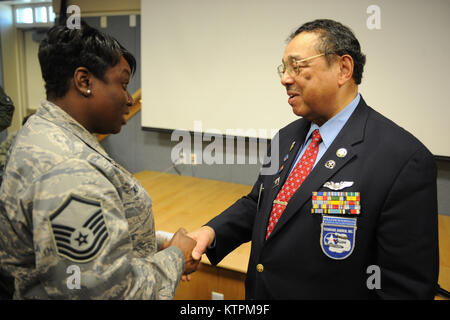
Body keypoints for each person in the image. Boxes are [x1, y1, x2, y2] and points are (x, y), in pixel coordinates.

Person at [188, 19, 439, 299]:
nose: (285, 78)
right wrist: (210, 232)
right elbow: (260, 203)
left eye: (297, 66)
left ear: (343, 68)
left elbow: (406, 289)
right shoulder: (286, 137)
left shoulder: (403, 159)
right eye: (284, 68)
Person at [0, 21, 198, 299]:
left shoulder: (42, 131)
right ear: (84, 81)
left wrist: (158, 243)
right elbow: (108, 293)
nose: (130, 99)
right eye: (124, 84)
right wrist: (176, 258)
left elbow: (88, 242)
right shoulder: (69, 171)